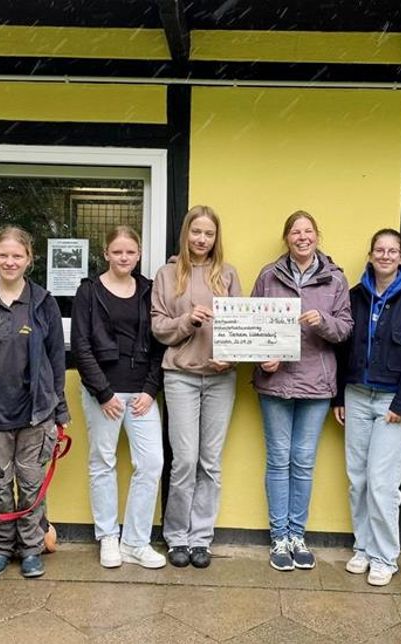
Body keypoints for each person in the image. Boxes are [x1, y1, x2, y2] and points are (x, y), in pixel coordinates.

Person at [0, 225, 69, 579]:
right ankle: (1, 548)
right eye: (3, 255)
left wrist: (60, 411)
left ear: (29, 259)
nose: (10, 261)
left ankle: (32, 548)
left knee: (32, 485)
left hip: (35, 414)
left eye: (17, 255)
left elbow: (56, 361)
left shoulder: (42, 303)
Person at [251, 210, 353, 571]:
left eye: (308, 231)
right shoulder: (268, 275)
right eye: (295, 231)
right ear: (287, 238)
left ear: (316, 236)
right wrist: (264, 358)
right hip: (275, 383)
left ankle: (298, 535)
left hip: (317, 382)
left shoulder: (335, 279)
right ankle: (278, 538)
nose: (302, 237)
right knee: (278, 460)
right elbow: (253, 326)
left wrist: (322, 321)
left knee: (304, 461)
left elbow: (344, 329)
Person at [332, 228, 401, 586]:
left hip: (393, 400)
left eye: (393, 251)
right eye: (380, 250)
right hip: (357, 394)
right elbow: (342, 347)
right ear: (371, 254)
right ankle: (363, 546)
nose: (386, 255)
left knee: (382, 483)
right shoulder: (356, 295)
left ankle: (385, 556)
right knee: (357, 479)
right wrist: (339, 396)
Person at [151, 205, 242, 568]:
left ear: (216, 237)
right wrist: (187, 320)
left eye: (209, 233)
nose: (202, 239)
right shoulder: (168, 273)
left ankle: (201, 538)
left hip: (221, 379)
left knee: (210, 462)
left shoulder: (229, 274)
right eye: (196, 232)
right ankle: (177, 537)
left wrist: (230, 357)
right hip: (180, 376)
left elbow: (243, 326)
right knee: (185, 461)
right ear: (186, 233)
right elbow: (158, 326)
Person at [71, 225, 167, 569]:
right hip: (103, 395)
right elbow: (81, 347)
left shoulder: (149, 291)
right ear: (106, 254)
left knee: (151, 462)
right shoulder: (89, 292)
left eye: (130, 252)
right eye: (117, 252)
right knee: (103, 462)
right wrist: (104, 392)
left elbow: (160, 345)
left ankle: (136, 542)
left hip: (141, 393)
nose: (124, 257)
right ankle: (108, 537)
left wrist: (150, 389)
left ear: (138, 255)